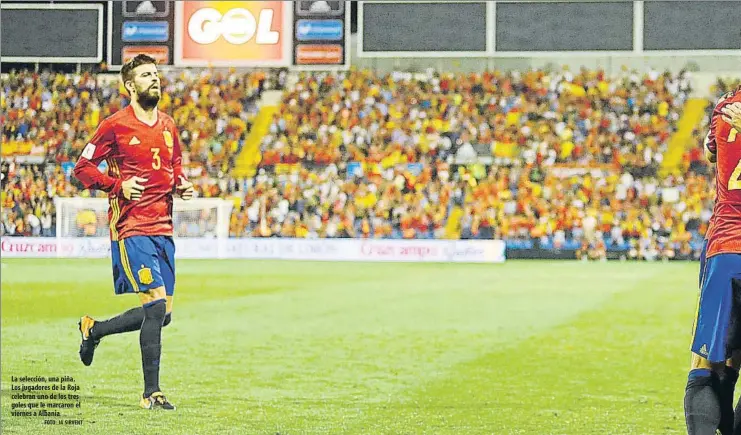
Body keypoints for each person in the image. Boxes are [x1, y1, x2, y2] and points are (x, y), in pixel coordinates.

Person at [72, 54, 194, 411]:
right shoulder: (114, 125)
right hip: (132, 227)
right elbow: (82, 168)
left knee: (163, 314)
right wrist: (117, 186)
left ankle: (93, 330)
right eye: (145, 75)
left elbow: (173, 167)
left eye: (155, 74)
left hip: (163, 228)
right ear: (130, 85)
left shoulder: (169, 125)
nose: (154, 80)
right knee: (155, 305)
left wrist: (180, 185)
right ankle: (151, 393)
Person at [684, 85, 741, 435]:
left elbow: (710, 152)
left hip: (726, 248)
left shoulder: (726, 105)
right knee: (730, 360)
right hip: (725, 246)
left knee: (706, 363)